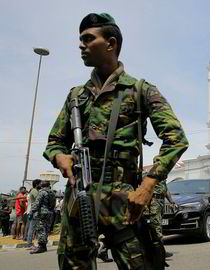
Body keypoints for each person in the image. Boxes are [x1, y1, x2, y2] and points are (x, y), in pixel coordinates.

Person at [42, 13, 188, 269]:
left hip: (124, 201)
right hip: (80, 198)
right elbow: (54, 141)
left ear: (110, 43)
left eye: (88, 39)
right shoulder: (76, 96)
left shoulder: (140, 90)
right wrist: (59, 156)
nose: (81, 45)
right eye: (80, 40)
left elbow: (176, 139)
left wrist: (148, 185)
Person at [30, 181, 56, 254]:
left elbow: (37, 203)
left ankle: (41, 247)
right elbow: (53, 204)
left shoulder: (42, 192)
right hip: (50, 212)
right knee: (46, 229)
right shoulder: (52, 192)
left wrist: (31, 212)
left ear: (42, 185)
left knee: (41, 229)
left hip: (42, 212)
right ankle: (43, 246)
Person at [26, 179, 42, 248]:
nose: (41, 185)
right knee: (32, 228)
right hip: (34, 212)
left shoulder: (34, 191)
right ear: (36, 184)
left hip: (32, 211)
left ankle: (31, 243)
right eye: (40, 184)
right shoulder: (34, 191)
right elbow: (38, 200)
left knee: (33, 228)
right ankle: (29, 244)